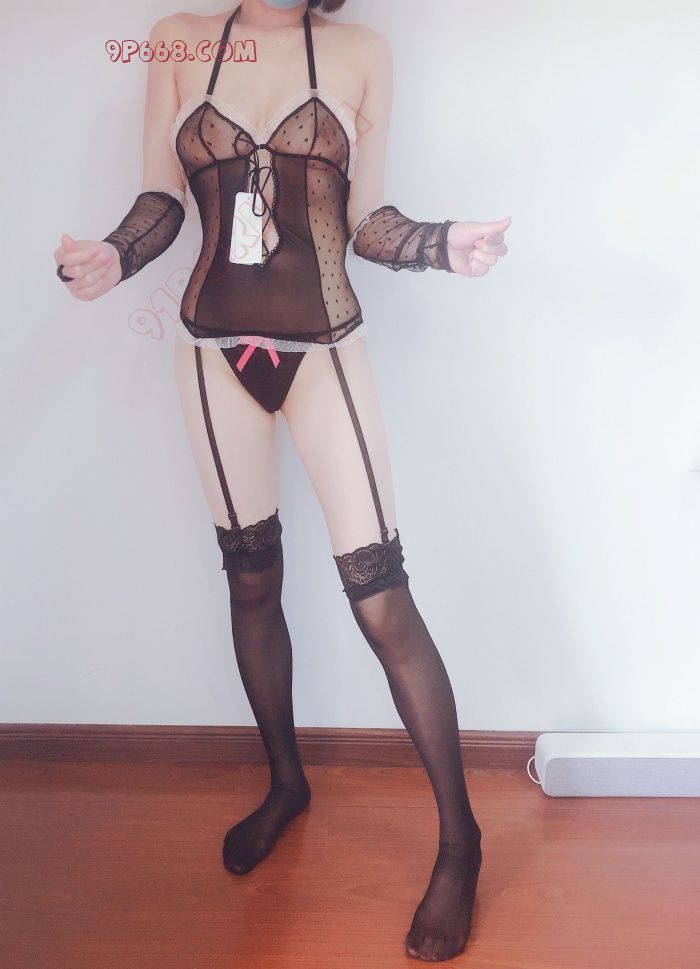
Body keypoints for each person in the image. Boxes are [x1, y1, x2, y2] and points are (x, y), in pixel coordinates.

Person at [54, 0, 510, 961]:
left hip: (326, 350)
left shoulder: (363, 51)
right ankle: (286, 782)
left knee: (381, 600)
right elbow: (161, 198)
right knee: (252, 579)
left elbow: (367, 219)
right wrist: (112, 254)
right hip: (210, 352)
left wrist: (441, 244)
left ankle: (460, 842)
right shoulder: (179, 40)